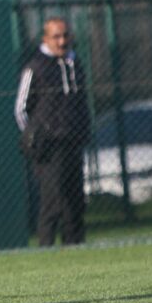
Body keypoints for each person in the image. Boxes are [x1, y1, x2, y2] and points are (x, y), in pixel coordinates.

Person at [14, 18, 90, 246]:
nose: (63, 41)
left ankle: (75, 247)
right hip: (50, 147)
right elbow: (21, 109)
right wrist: (33, 135)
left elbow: (82, 101)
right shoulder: (35, 67)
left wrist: (83, 128)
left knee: (75, 202)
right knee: (52, 202)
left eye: (66, 35)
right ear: (45, 39)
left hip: (72, 141)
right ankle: (45, 248)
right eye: (56, 36)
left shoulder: (75, 64)